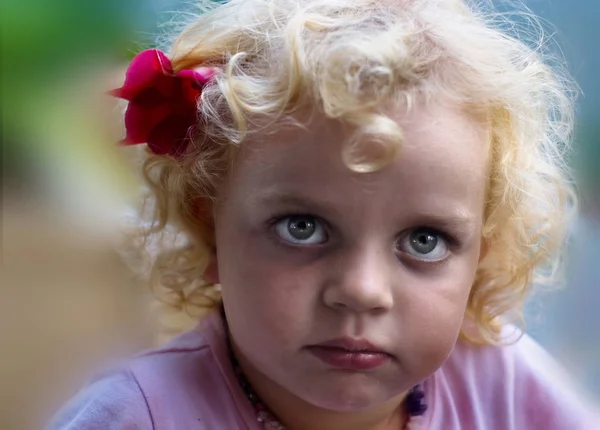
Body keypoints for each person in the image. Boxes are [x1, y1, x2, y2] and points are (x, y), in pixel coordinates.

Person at [49, 0, 600, 428]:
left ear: (481, 253)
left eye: (425, 240)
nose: (362, 290)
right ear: (208, 225)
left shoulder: (498, 381)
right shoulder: (137, 415)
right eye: (302, 227)